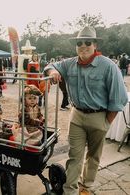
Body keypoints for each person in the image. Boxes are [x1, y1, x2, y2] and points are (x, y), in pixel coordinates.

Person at [44, 26, 128, 195]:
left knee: (93, 156)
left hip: (99, 117)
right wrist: (53, 71)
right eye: (79, 42)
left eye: (88, 42)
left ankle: (86, 187)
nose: (83, 45)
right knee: (74, 156)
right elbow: (50, 65)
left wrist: (106, 123)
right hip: (76, 116)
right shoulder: (69, 63)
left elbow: (119, 98)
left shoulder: (108, 66)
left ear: (95, 45)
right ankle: (70, 191)